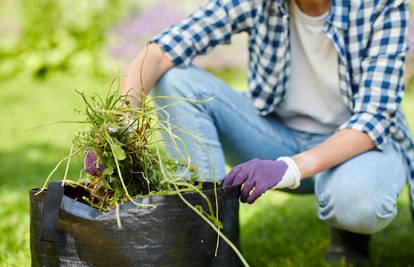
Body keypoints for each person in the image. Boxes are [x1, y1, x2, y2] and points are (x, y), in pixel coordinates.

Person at [120, 0, 414, 263]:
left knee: (357, 202)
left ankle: (349, 234)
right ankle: (209, 242)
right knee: (177, 81)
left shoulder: (381, 5)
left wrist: (289, 168)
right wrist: (120, 127)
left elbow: (373, 118)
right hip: (277, 134)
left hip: (357, 148)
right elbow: (158, 54)